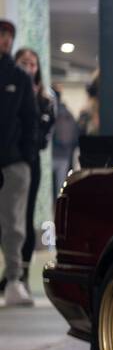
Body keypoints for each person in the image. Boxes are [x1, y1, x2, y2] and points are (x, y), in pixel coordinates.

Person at [3, 49, 56, 294]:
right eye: (24, 62)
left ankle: (20, 273)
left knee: (24, 215)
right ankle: (12, 272)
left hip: (29, 160)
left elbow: (43, 130)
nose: (28, 67)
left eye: (33, 64)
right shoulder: (11, 89)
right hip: (13, 157)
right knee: (9, 217)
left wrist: (28, 153)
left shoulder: (45, 98)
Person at [0, 17, 38, 306]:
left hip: (14, 162)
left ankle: (14, 280)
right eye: (1, 34)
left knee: (13, 223)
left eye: (8, 36)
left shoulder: (20, 77)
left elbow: (30, 120)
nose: (5, 40)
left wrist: (26, 156)